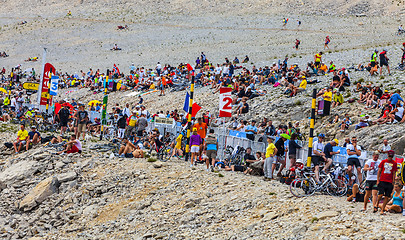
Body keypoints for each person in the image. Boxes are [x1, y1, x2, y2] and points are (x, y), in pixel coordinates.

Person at [376, 150, 398, 215]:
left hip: (389, 181)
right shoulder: (383, 161)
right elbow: (379, 171)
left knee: (387, 196)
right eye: (389, 155)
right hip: (382, 180)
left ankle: (382, 209)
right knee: (380, 194)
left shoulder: (394, 163)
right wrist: (378, 180)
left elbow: (394, 173)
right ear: (388, 155)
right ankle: (377, 203)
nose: (390, 157)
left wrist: (393, 182)